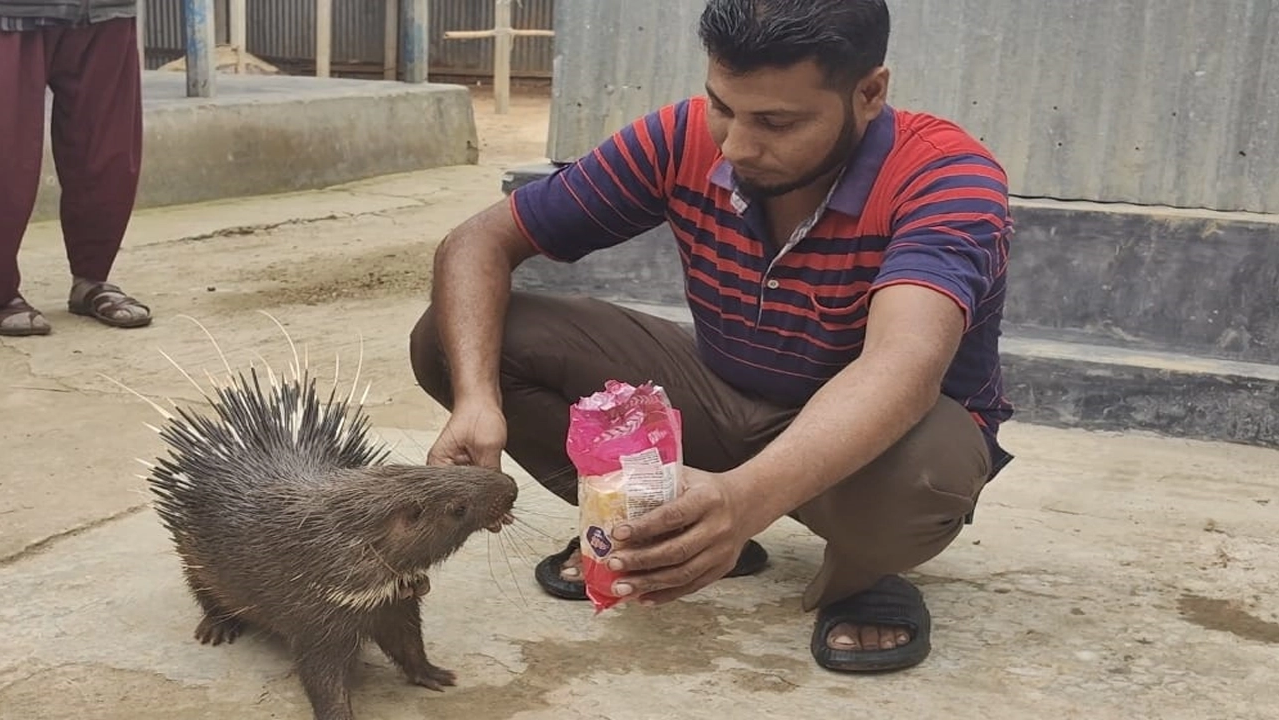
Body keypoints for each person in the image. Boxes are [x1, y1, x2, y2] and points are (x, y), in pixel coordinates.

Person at [411, 0, 1014, 673]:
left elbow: (902, 369)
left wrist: (743, 501)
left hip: (888, 439)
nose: (735, 146)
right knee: (457, 337)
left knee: (925, 478)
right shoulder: (683, 137)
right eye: (722, 105)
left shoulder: (946, 176)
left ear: (869, 92)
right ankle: (667, 534)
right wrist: (476, 402)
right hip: (727, 392)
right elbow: (478, 243)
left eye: (777, 122)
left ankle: (859, 576)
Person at [0, 0, 150, 337]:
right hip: (11, 12)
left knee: (107, 150)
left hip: (105, 9)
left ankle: (91, 280)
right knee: (6, 155)